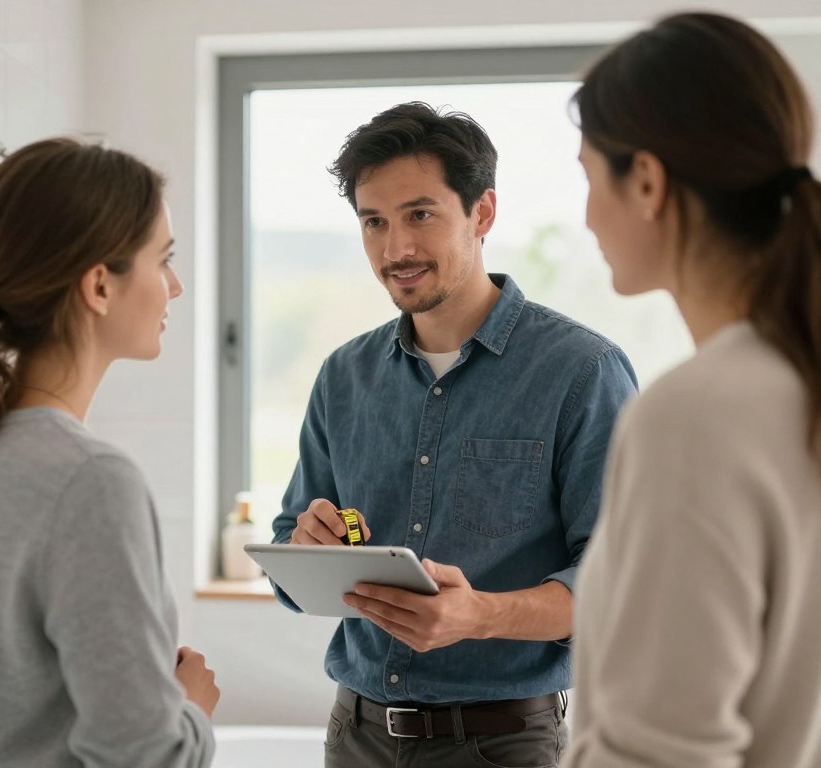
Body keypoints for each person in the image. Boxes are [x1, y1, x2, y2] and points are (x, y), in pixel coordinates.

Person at [270, 102, 638, 767]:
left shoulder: (582, 372)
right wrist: (304, 547)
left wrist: (483, 616)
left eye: (420, 215)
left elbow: (621, 582)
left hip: (500, 742)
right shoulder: (343, 376)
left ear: (483, 214)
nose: (396, 249)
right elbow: (289, 558)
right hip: (353, 734)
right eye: (373, 222)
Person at [0, 138, 218, 767]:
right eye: (161, 260)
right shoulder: (92, 481)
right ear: (98, 286)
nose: (175, 285)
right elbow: (146, 758)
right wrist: (188, 707)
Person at [563, 12, 821, 768]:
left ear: (646, 180)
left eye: (587, 176)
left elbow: (661, 754)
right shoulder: (791, 384)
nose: (583, 216)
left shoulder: (698, 416)